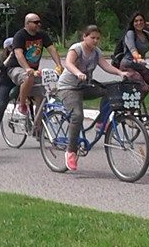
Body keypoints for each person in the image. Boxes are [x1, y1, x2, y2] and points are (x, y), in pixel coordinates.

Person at [57, 26, 139, 171]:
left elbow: (106, 66)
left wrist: (120, 73)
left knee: (109, 91)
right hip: (68, 87)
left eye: (98, 38)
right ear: (84, 36)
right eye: (92, 37)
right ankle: (71, 151)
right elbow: (68, 63)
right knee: (77, 116)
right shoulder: (77, 49)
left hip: (85, 86)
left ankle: (101, 123)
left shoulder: (96, 52)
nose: (95, 41)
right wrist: (77, 73)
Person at [4, 13, 63, 117]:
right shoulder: (20, 35)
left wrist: (59, 65)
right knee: (28, 77)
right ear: (27, 24)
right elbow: (19, 54)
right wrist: (27, 68)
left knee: (41, 96)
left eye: (39, 22)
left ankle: (37, 128)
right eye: (36, 22)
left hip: (33, 70)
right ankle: (22, 105)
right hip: (16, 68)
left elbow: (52, 49)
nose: (39, 24)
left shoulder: (42, 35)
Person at [112, 12, 149, 121]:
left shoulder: (145, 34)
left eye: (141, 20)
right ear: (133, 23)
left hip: (140, 66)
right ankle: (130, 113)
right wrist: (138, 57)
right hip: (128, 66)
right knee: (143, 88)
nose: (139, 23)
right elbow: (132, 48)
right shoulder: (130, 34)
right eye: (136, 21)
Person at [0, 37, 17, 140]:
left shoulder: (19, 54)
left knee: (30, 99)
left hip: (16, 82)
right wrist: (10, 56)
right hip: (5, 83)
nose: (13, 49)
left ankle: (35, 124)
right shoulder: (4, 57)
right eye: (11, 47)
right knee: (2, 103)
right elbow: (2, 67)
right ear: (6, 48)